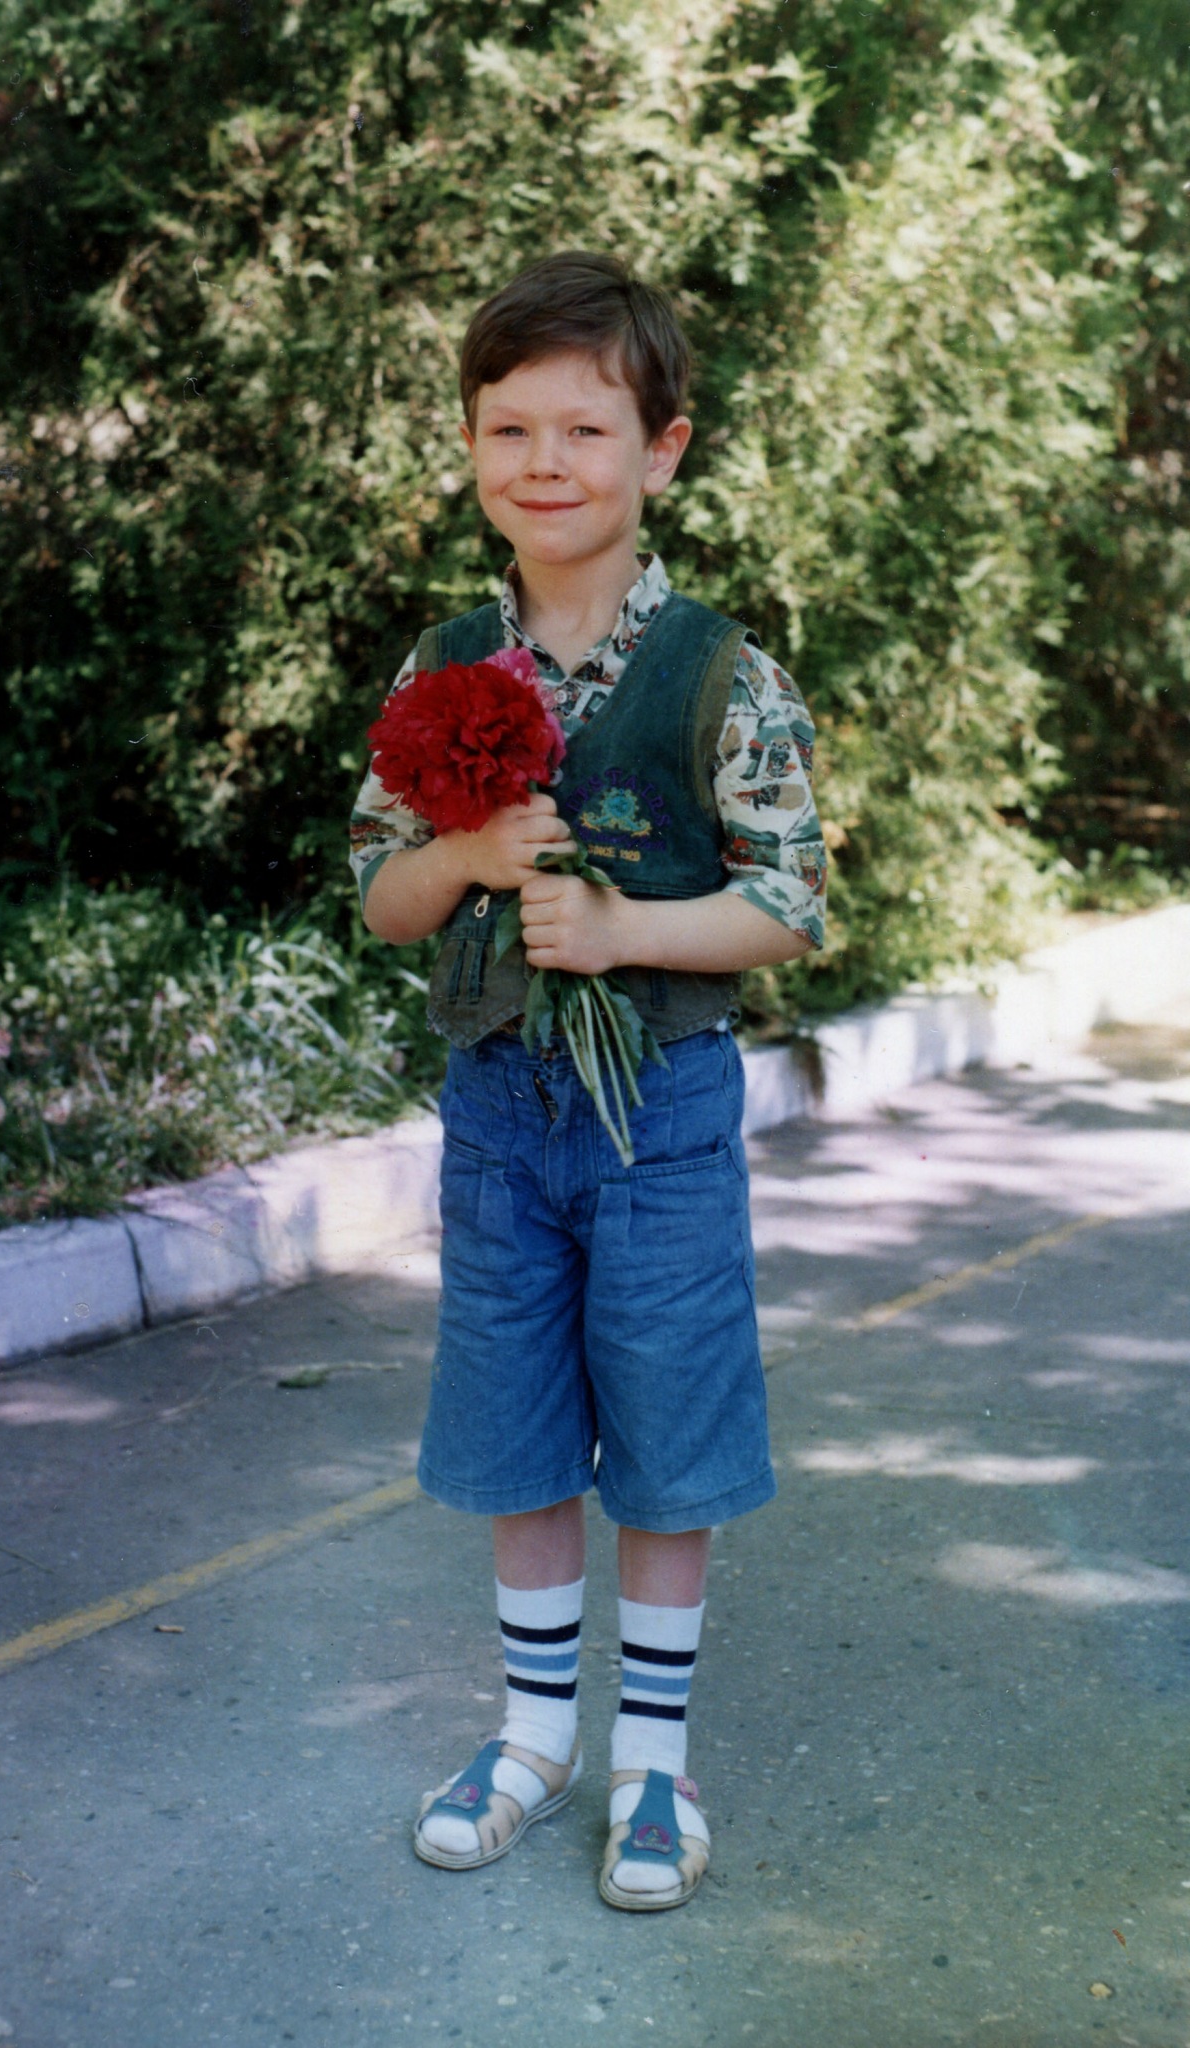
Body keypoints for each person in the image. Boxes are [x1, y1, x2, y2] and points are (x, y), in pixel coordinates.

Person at [349, 251, 826, 1911]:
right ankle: (536, 1734)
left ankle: (653, 1766)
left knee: (670, 1429)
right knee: (518, 1427)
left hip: (662, 1119)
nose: (544, 461)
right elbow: (383, 896)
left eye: (586, 428)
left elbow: (789, 905)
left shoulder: (723, 674)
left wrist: (626, 930)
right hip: (498, 1118)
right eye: (510, 428)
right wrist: (467, 854)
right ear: (471, 447)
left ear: (662, 451)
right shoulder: (438, 669)